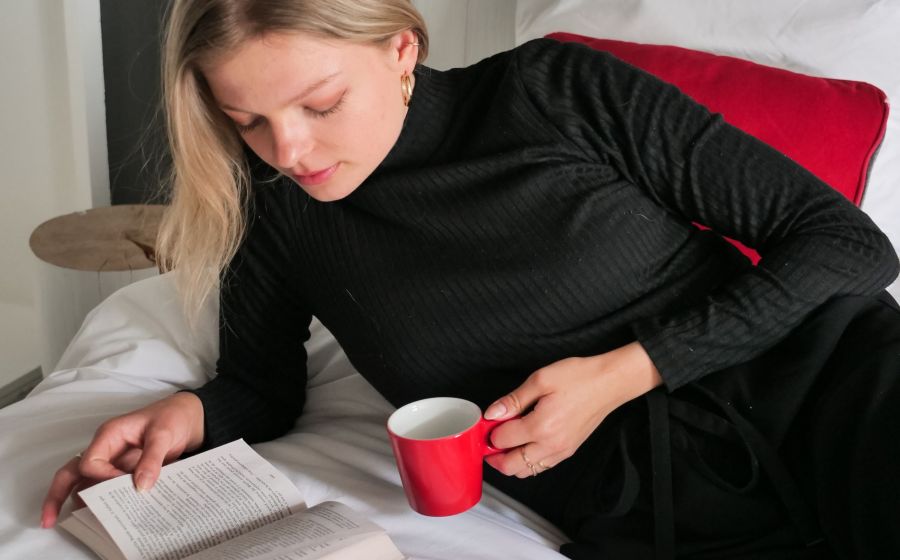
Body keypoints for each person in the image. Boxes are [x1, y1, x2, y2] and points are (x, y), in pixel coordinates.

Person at [41, 1, 900, 558]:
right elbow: (263, 388)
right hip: (644, 507)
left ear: (400, 49)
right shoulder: (281, 210)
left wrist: (628, 370)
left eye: (321, 104)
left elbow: (846, 244)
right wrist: (184, 416)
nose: (289, 150)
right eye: (247, 122)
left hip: (830, 383)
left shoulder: (555, 90)